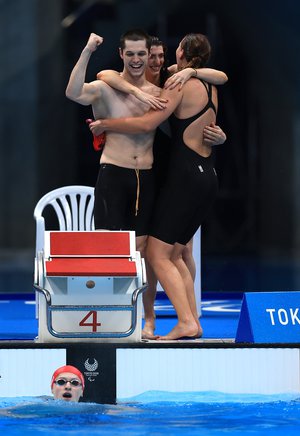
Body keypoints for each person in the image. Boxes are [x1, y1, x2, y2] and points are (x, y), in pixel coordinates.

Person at [89, 33, 222, 340]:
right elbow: (105, 74)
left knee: (164, 255)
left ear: (179, 53)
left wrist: (107, 124)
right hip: (195, 174)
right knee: (170, 254)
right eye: (153, 56)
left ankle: (187, 320)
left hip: (182, 176)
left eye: (165, 55)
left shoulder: (176, 81)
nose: (159, 61)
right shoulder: (194, 81)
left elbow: (149, 123)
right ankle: (182, 320)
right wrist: (194, 70)